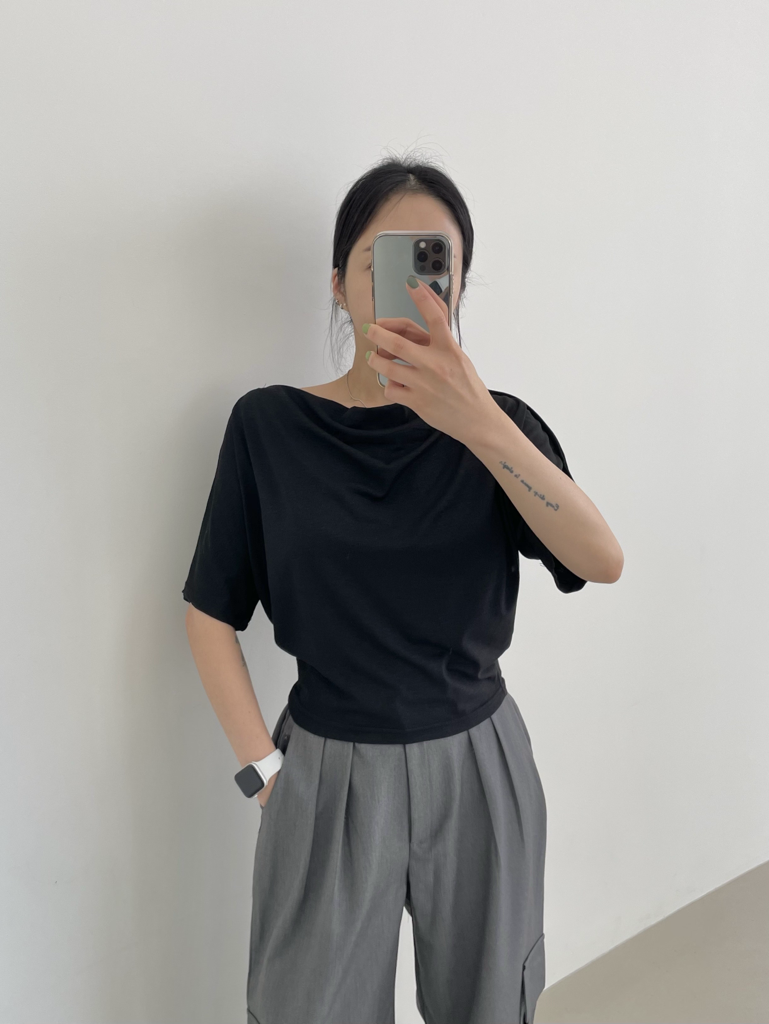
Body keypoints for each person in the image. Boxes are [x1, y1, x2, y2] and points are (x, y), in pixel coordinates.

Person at [182, 156, 623, 1024]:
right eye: (382, 262)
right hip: (325, 768)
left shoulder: (498, 429)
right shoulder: (269, 426)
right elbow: (208, 610)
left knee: (489, 1004)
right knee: (305, 1006)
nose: (412, 288)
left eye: (434, 263)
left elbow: (599, 558)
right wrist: (265, 774)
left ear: (456, 285)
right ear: (339, 284)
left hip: (478, 760)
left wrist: (476, 418)